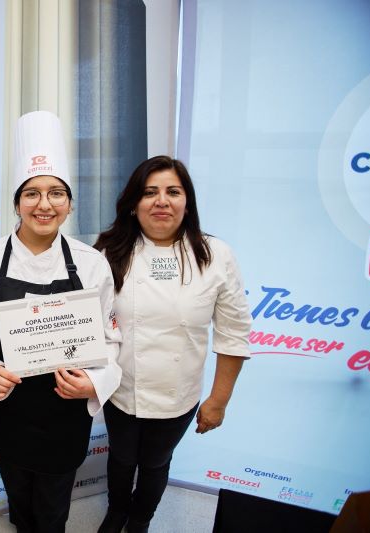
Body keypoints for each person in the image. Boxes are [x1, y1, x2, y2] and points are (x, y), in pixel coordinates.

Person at [0, 111, 122, 533]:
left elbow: (110, 341)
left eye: (56, 193)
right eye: (32, 193)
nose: (44, 204)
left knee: (55, 509)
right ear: (17, 203)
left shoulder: (92, 265)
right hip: (8, 411)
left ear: (70, 203)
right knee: (19, 503)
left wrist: (94, 383)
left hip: (64, 415)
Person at [94, 155, 252, 533]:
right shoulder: (108, 251)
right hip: (120, 388)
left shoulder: (215, 256)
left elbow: (234, 331)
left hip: (177, 393)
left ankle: (140, 519)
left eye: (172, 192)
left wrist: (219, 400)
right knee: (120, 457)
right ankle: (116, 511)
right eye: (150, 192)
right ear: (134, 203)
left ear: (187, 201)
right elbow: (89, 324)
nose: (161, 201)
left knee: (155, 462)